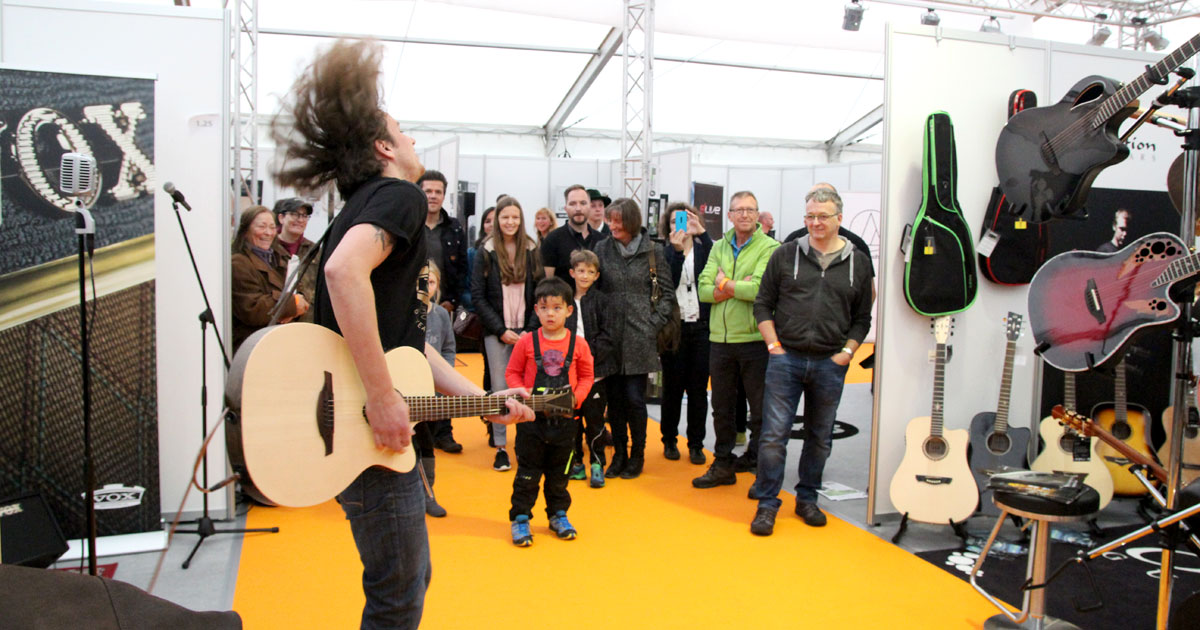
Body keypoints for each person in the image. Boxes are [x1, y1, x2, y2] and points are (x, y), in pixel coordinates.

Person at [271, 39, 532, 630]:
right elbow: (341, 273)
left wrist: (486, 402)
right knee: (398, 598)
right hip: (372, 428)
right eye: (403, 131)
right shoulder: (400, 195)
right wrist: (384, 395)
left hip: (364, 427)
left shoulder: (365, 203)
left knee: (406, 583)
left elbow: (407, 351)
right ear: (384, 148)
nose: (413, 138)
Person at [748, 186, 872, 535]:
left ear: (839, 219)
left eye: (823, 216)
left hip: (830, 364)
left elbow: (862, 317)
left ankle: (807, 498)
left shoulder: (858, 262)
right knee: (773, 436)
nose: (815, 223)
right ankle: (767, 504)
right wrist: (774, 346)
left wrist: (847, 353)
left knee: (820, 438)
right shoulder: (785, 254)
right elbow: (763, 303)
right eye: (810, 217)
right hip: (786, 360)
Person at [692, 190, 780, 489]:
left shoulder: (770, 248)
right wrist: (733, 287)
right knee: (722, 406)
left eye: (750, 210)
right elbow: (703, 290)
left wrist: (723, 283)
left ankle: (760, 463)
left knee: (760, 408)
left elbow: (759, 290)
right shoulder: (718, 247)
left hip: (755, 340)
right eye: (738, 210)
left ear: (757, 215)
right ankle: (723, 462)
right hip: (720, 341)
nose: (744, 215)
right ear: (729, 215)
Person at [504, 276, 595, 546]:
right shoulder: (526, 343)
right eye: (544, 308)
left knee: (559, 474)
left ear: (569, 310)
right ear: (536, 311)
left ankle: (558, 515)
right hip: (531, 422)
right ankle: (521, 518)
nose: (550, 314)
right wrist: (521, 393)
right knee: (527, 474)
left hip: (566, 424)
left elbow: (588, 376)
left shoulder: (579, 344)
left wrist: (576, 400)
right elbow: (512, 373)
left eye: (557, 308)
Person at [593, 197, 676, 479]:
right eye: (610, 220)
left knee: (635, 400)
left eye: (618, 220)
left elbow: (667, 296)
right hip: (610, 338)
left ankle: (637, 454)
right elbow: (594, 290)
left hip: (641, 337)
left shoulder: (654, 251)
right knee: (614, 401)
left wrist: (651, 325)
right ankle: (619, 453)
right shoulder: (601, 249)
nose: (613, 226)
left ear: (632, 221)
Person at [472, 195, 544, 472]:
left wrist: (529, 329)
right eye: (505, 217)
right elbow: (478, 296)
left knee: (527, 388)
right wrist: (501, 330)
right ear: (496, 220)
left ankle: (526, 444)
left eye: (515, 217)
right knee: (501, 388)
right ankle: (500, 447)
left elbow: (539, 290)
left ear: (520, 219)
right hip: (497, 332)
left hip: (527, 331)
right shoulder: (486, 250)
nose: (510, 222)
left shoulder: (533, 247)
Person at [659, 203, 713, 465]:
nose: (678, 226)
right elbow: (667, 283)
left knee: (698, 390)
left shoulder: (706, 249)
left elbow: (716, 266)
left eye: (684, 219)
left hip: (702, 327)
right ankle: (669, 438)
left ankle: (696, 443)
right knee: (672, 388)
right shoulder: (664, 253)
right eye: (672, 222)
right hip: (674, 328)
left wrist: (702, 232)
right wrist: (678, 253)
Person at [231, 205, 308, 354]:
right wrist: (291, 305)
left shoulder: (279, 257)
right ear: (245, 230)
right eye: (262, 226)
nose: (268, 233)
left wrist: (292, 308)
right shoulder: (239, 263)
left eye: (272, 227)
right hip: (252, 348)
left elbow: (300, 290)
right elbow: (253, 308)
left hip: (278, 344)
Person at [565, 249, 613, 487]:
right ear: (572, 272)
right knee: (571, 420)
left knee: (595, 421)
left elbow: (608, 336)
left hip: (596, 373)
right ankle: (575, 463)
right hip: (568, 374)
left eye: (590, 272)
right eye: (581, 271)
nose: (585, 276)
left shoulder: (602, 301)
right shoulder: (563, 301)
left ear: (597, 275)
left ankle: (597, 464)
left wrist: (589, 359)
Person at [418, 261, 454, 517]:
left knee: (427, 442)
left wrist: (445, 377)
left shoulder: (441, 315)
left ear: (437, 286)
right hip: (406, 389)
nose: (425, 287)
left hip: (434, 392)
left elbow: (449, 348)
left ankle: (428, 492)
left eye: (430, 282)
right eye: (420, 281)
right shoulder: (403, 313)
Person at [784, 183, 876, 279]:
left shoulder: (857, 246)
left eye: (823, 216)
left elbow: (869, 290)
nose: (816, 223)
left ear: (839, 217)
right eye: (813, 196)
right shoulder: (790, 245)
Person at [417, 169, 468, 311]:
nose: (433, 196)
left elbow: (462, 269)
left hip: (444, 306)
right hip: (411, 303)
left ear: (444, 196)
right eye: (428, 191)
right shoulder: (410, 226)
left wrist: (453, 300)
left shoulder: (455, 228)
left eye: (438, 192)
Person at [271, 198, 319, 322]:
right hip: (275, 322)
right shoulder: (268, 248)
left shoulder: (315, 251)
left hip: (307, 323)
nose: (300, 220)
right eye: (294, 214)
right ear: (281, 218)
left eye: (304, 216)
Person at [541, 185, 603, 282]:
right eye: (573, 204)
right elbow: (549, 283)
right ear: (565, 208)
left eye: (583, 203)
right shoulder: (552, 240)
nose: (578, 208)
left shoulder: (603, 240)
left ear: (589, 206)